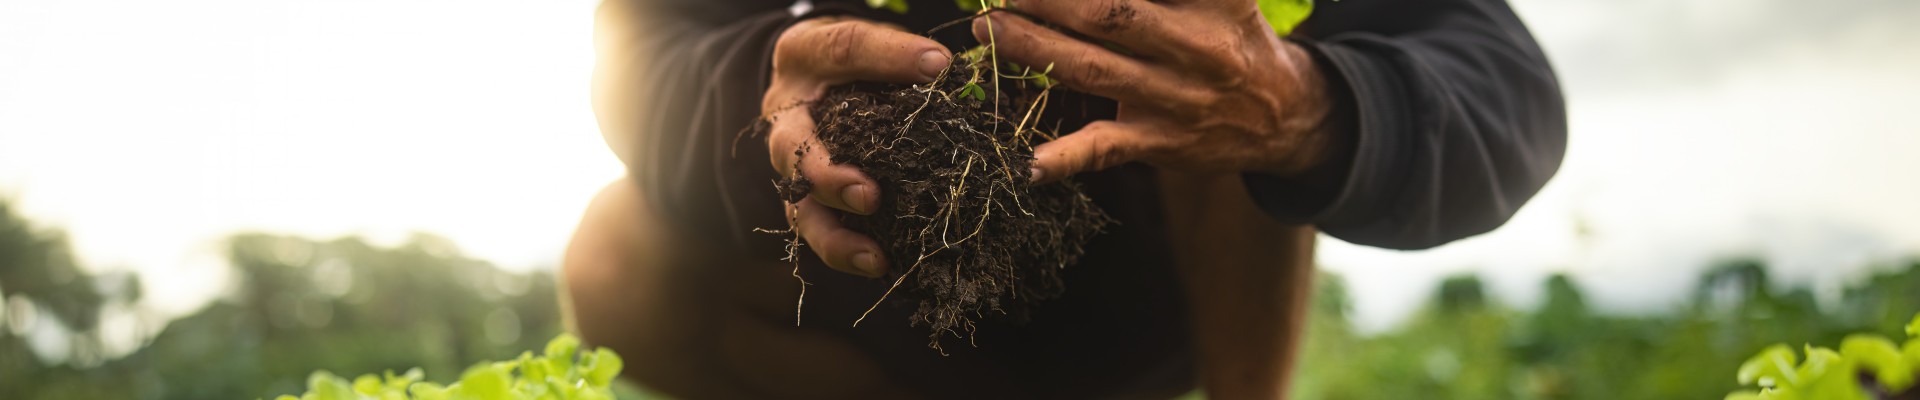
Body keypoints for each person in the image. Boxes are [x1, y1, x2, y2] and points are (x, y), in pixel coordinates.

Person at [562, 0, 1565, 398]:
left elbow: (1499, 83)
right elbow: (639, 59)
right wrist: (759, 98)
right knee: (614, 255)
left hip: (1148, 306)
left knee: (1212, 51)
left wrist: (1306, 108)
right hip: (880, 314)